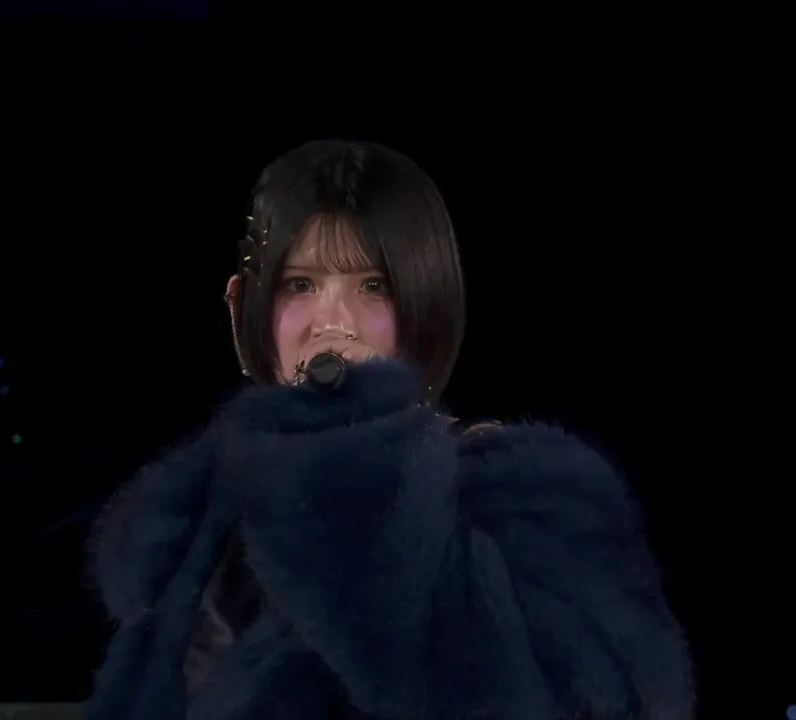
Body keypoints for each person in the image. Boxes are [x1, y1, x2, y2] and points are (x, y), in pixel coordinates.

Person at [85, 139, 695, 719]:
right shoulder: (199, 526)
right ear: (242, 306)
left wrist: (354, 471)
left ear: (429, 302)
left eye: (373, 287)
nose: (333, 323)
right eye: (301, 285)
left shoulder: (527, 501)